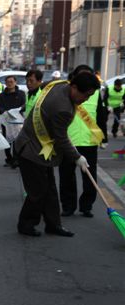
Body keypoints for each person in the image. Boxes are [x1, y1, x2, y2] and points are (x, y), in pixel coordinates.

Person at [14, 72, 100, 237]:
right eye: (85, 95)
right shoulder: (63, 109)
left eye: (90, 96)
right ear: (74, 87)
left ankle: (53, 225)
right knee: (37, 192)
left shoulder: (59, 85)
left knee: (50, 190)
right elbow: (61, 138)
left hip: (41, 148)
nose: (86, 100)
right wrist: (77, 157)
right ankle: (26, 224)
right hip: (31, 150)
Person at [59, 65, 107, 218]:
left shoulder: (96, 92)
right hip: (68, 141)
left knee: (90, 177)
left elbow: (101, 115)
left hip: (89, 141)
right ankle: (68, 206)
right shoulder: (67, 92)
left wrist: (103, 137)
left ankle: (86, 206)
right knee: (66, 176)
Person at [0, 75, 26, 167]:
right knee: (6, 141)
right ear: (5, 83)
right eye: (8, 82)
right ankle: (9, 159)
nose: (10, 83)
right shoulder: (2, 95)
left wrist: (17, 111)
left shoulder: (21, 93)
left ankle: (16, 159)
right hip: (6, 121)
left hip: (17, 121)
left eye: (11, 82)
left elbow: (24, 105)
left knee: (16, 141)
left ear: (15, 82)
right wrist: (5, 112)